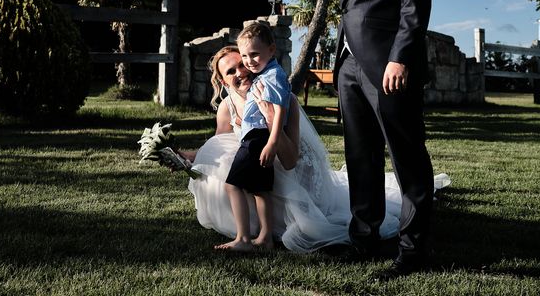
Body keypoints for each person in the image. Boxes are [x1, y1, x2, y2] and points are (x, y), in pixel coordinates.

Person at [182, 45, 450, 253]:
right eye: (230, 71)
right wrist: (186, 158)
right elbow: (218, 146)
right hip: (264, 173)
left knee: (305, 226)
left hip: (298, 177)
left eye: (242, 64)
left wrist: (272, 121)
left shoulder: (282, 101)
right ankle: (248, 231)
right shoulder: (227, 107)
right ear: (222, 80)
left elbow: (289, 160)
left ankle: (263, 231)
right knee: (226, 169)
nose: (240, 72)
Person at [312, 0, 434, 278]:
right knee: (360, 156)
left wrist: (399, 57)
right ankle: (363, 239)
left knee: (407, 157)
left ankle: (413, 253)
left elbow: (413, 3)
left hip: (388, 67)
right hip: (348, 65)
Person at [217, 22, 291, 251]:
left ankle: (243, 238)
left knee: (232, 186)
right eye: (245, 56)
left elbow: (279, 111)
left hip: (257, 138)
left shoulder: (274, 76)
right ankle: (266, 238)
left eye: (254, 55)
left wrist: (271, 142)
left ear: (271, 50)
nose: (249, 62)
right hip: (258, 137)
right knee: (260, 189)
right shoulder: (265, 74)